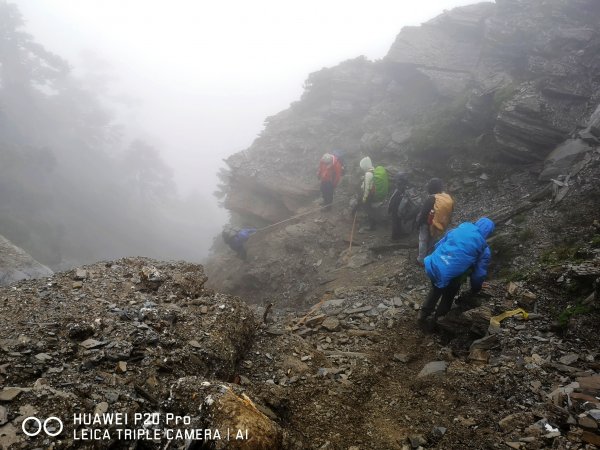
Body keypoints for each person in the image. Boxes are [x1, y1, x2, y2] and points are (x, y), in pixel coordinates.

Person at [418, 217, 495, 323]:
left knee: (436, 289)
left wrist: (439, 260)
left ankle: (423, 316)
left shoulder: (459, 230)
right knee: (448, 296)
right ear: (489, 233)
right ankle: (437, 322)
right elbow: (478, 274)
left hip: (435, 265)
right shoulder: (484, 250)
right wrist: (475, 289)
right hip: (454, 276)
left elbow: (440, 244)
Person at [416, 178, 454, 265]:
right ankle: (430, 258)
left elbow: (423, 213)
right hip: (438, 224)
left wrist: (418, 224)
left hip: (426, 224)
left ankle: (421, 260)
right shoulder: (446, 197)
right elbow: (451, 211)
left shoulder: (431, 199)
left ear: (431, 188)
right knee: (432, 241)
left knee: (423, 240)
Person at [359, 156, 389, 230]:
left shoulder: (367, 174)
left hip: (370, 196)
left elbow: (366, 189)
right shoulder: (373, 170)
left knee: (368, 208)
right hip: (375, 194)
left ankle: (371, 225)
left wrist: (364, 199)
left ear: (364, 166)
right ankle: (373, 222)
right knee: (370, 209)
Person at [387, 172, 417, 240]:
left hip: (396, 204)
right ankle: (395, 237)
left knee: (398, 220)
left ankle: (399, 233)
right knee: (396, 220)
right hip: (395, 205)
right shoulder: (400, 187)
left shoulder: (399, 187)